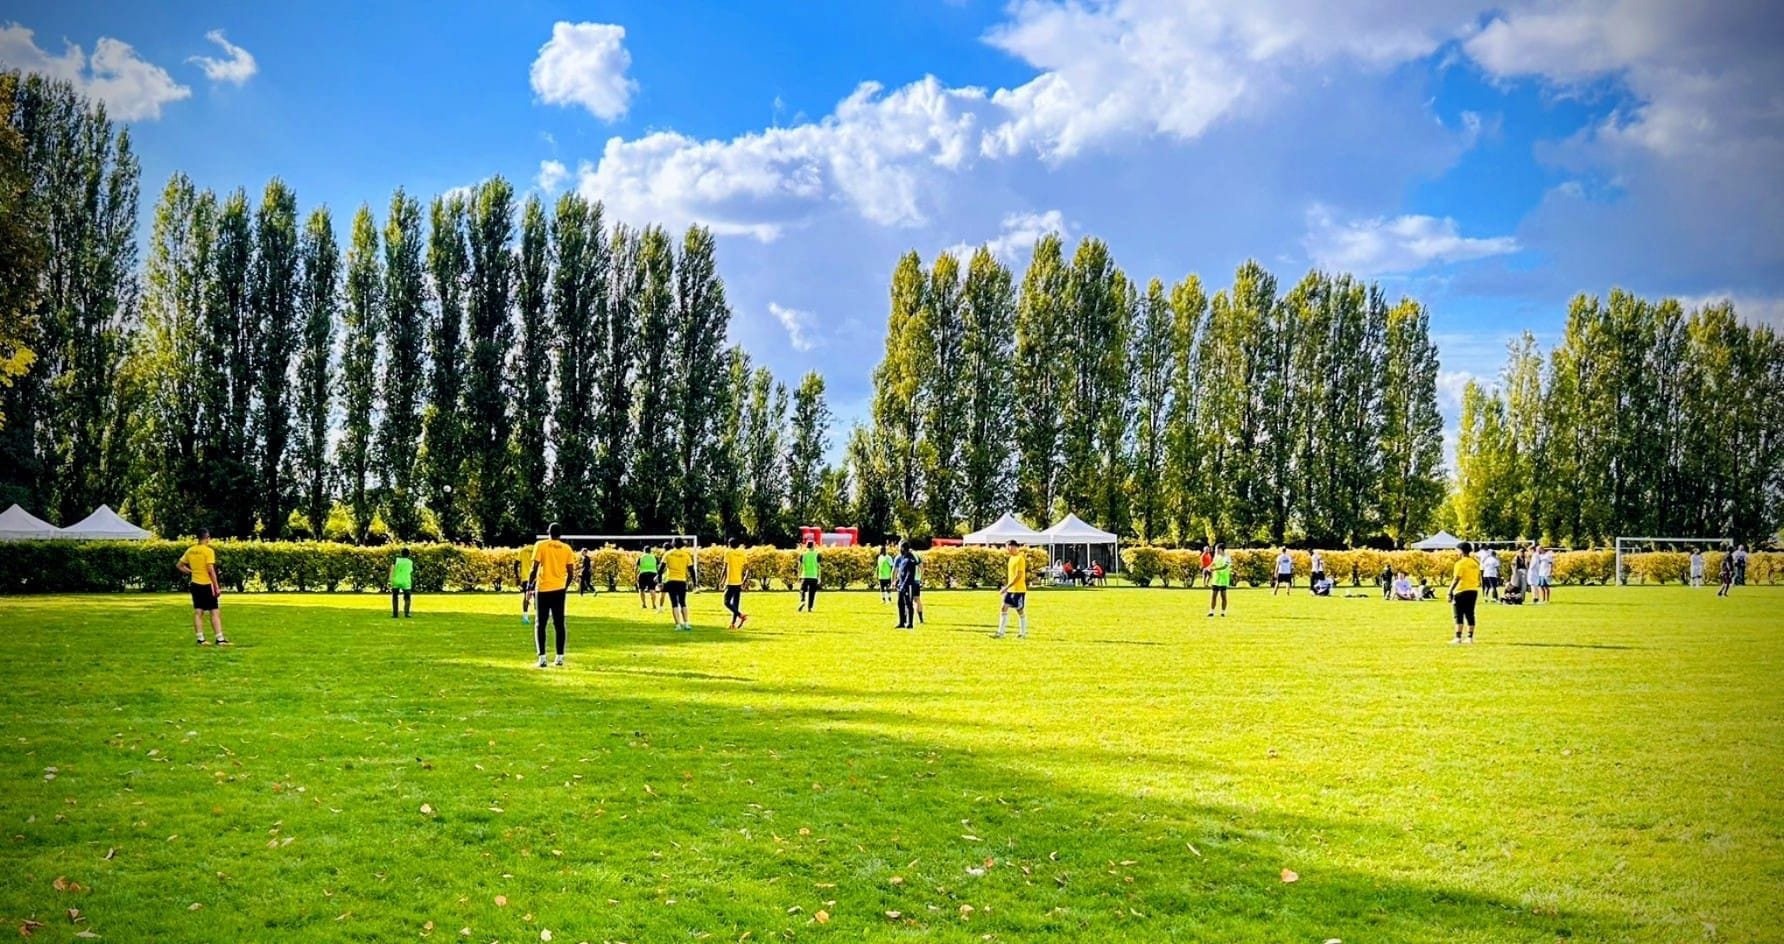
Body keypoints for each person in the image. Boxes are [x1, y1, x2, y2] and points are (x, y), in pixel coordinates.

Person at [526, 523, 576, 668]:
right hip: (559, 589)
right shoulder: (567, 549)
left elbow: (534, 568)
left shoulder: (541, 545)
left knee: (540, 624)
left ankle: (542, 658)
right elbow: (571, 572)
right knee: (559, 623)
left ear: (548, 532)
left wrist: (529, 587)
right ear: (561, 534)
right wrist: (564, 586)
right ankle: (559, 657)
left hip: (542, 589)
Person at [177, 528, 228, 645]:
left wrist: (190, 571)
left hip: (195, 584)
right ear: (207, 537)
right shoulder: (208, 551)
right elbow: (210, 570)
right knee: (214, 612)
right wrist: (216, 586)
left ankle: (200, 639)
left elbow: (179, 565)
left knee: (198, 612)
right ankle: (220, 639)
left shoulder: (190, 551)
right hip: (207, 584)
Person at [1447, 540, 1481, 644]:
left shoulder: (1460, 563)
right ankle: (1470, 637)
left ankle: (1458, 637)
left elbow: (1457, 578)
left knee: (1458, 614)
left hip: (1461, 590)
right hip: (1473, 590)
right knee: (1470, 613)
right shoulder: (1475, 563)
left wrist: (1450, 591)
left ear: (1461, 551)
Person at [995, 540, 1029, 639]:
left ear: (1013, 547)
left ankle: (1023, 633)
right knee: (1003, 607)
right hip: (1011, 590)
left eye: (1008, 547)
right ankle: (1000, 633)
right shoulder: (1011, 559)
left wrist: (1006, 587)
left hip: (1018, 590)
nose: (1007, 549)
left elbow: (1019, 576)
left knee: (1019, 610)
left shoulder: (1020, 559)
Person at [661, 539, 696, 630]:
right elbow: (692, 570)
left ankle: (678, 625)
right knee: (683, 602)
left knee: (674, 603)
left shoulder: (668, 554)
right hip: (681, 581)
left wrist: (659, 582)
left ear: (673, 544)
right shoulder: (686, 555)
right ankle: (686, 623)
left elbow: (661, 569)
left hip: (671, 580)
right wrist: (695, 582)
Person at [722, 538, 749, 629]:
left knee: (726, 602)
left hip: (730, 581)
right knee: (735, 603)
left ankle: (741, 616)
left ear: (729, 544)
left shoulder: (728, 553)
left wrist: (721, 580)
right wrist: (744, 579)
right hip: (738, 582)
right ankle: (733, 624)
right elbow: (747, 568)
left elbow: (724, 568)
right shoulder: (742, 553)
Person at [893, 542, 919, 629]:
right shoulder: (903, 558)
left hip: (909, 585)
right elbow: (901, 573)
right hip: (901, 585)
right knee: (900, 603)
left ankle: (910, 623)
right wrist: (897, 581)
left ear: (903, 548)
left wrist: (904, 585)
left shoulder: (910, 559)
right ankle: (901, 622)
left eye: (900, 548)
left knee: (908, 604)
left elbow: (909, 574)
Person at [389, 547, 414, 618]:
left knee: (395, 597)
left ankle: (395, 614)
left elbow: (392, 569)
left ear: (401, 554)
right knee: (407, 598)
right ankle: (407, 613)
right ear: (409, 554)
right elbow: (410, 571)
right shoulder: (410, 562)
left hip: (396, 580)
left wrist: (390, 579)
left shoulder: (396, 560)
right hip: (406, 581)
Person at [1207, 543, 1231, 617]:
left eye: (1216, 549)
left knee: (1223, 596)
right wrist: (1209, 567)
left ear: (1220, 549)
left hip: (1223, 579)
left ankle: (1223, 612)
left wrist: (1214, 569)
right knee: (1213, 595)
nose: (1215, 550)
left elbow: (1224, 566)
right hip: (1216, 579)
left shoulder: (1227, 558)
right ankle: (1211, 611)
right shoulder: (1216, 557)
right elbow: (1213, 563)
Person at [797, 539, 821, 612]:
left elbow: (800, 566)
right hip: (814, 576)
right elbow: (819, 567)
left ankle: (803, 601)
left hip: (805, 575)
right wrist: (819, 577)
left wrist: (799, 575)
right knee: (812, 593)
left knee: (802, 590)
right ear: (813, 546)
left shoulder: (803, 555)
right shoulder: (817, 554)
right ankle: (810, 607)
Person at [636, 545, 661, 610]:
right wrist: (658, 575)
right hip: (653, 574)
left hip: (643, 574)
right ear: (650, 551)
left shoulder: (641, 557)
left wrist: (636, 575)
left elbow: (636, 568)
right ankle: (654, 605)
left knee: (641, 589)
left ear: (644, 551)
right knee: (652, 589)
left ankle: (644, 604)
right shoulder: (654, 557)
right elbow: (658, 567)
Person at [518, 542, 536, 624]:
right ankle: (539, 615)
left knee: (526, 596)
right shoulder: (537, 550)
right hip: (536, 577)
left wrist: (517, 576)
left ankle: (525, 616)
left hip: (525, 577)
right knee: (538, 597)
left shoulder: (522, 551)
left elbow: (516, 563)